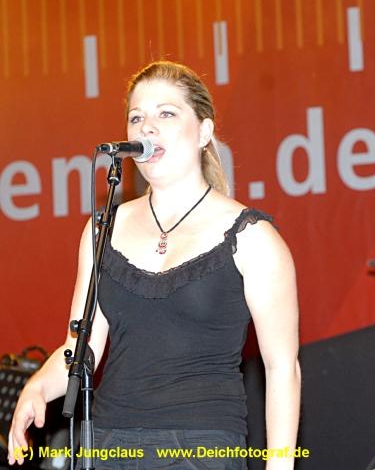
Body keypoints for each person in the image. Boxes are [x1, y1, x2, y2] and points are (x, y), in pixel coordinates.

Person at [7, 61, 301, 469]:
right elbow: (81, 348)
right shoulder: (103, 230)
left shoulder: (252, 238)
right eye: (136, 118)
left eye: (166, 113)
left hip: (202, 448)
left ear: (204, 132)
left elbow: (282, 368)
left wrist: (280, 465)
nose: (147, 127)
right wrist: (37, 387)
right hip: (110, 445)